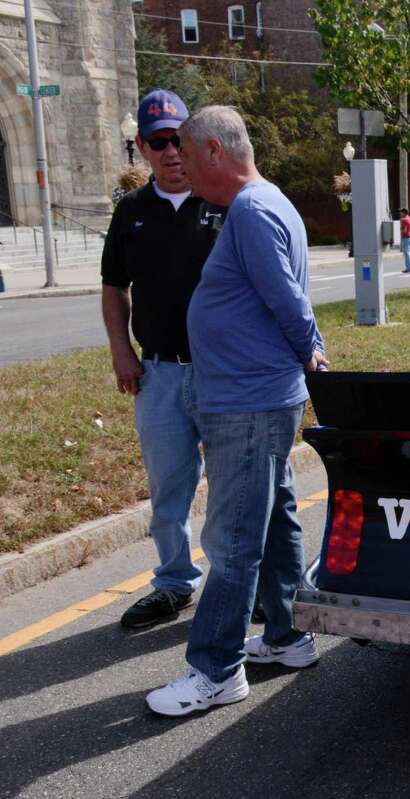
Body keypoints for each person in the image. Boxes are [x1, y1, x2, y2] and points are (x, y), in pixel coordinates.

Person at [146, 106, 328, 717]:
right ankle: (286, 635)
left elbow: (287, 298)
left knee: (231, 542)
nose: (182, 167)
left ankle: (216, 671)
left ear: (216, 151)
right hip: (257, 396)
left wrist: (313, 354)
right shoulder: (264, 203)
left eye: (189, 156)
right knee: (274, 522)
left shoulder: (249, 210)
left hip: (249, 402)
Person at [101, 89, 225, 630]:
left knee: (231, 486)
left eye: (178, 138)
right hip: (159, 373)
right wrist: (120, 350)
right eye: (159, 142)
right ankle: (175, 582)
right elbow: (113, 286)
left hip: (223, 372)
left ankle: (236, 583)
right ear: (142, 148)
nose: (172, 151)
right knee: (168, 487)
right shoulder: (130, 212)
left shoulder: (222, 202)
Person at [398, 208, 410, 273]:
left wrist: (400, 230)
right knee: (408, 252)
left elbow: (404, 230)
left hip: (405, 237)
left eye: (401, 212)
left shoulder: (404, 220)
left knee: (406, 253)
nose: (400, 213)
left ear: (404, 213)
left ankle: (409, 268)